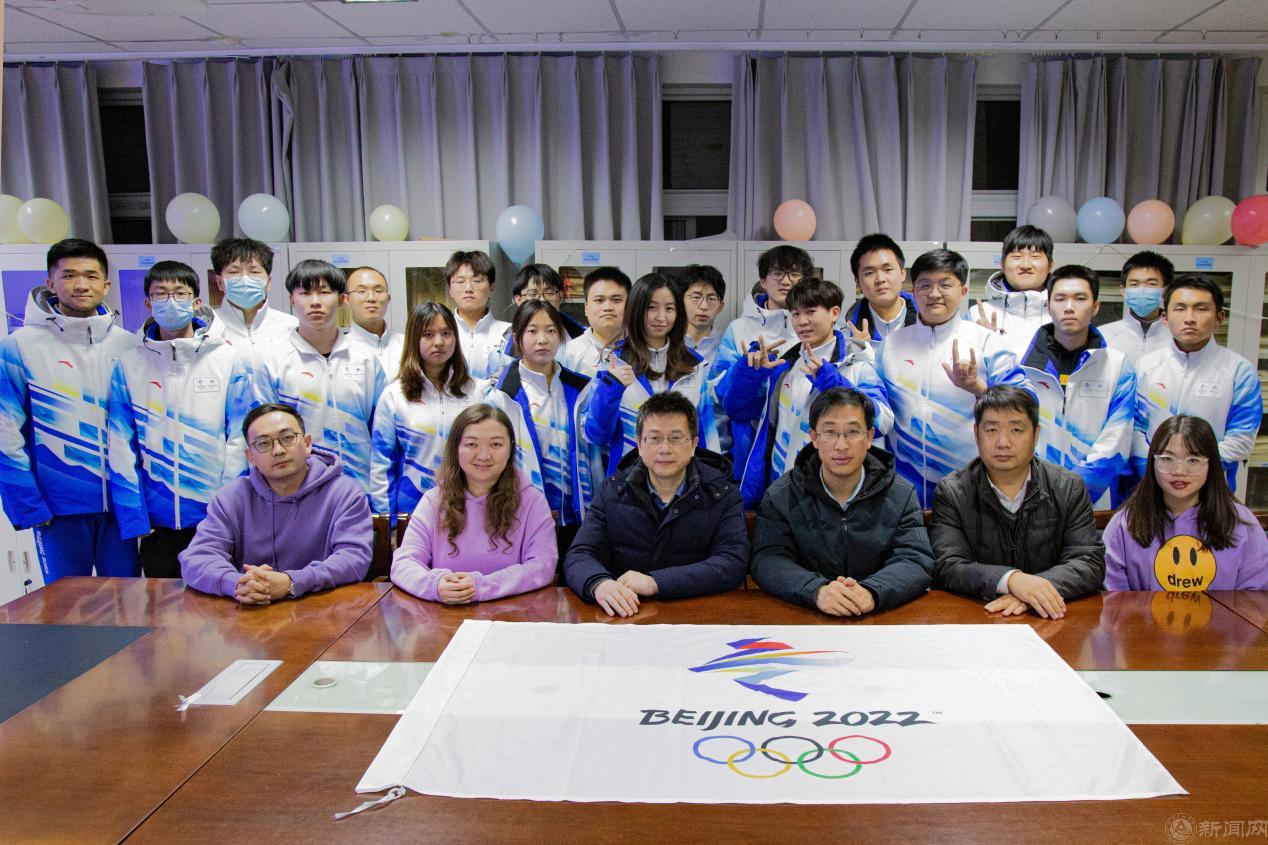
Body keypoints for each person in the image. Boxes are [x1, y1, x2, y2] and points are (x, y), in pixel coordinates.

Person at [0, 238, 140, 582]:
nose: (81, 285)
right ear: (50, 282)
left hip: (121, 507)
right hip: (58, 509)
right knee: (65, 605)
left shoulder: (129, 345)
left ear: (106, 285)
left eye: (91, 276)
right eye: (69, 275)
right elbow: (5, 430)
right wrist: (28, 504)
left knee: (129, 602)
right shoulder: (19, 346)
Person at [108, 260, 248, 577]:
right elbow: (121, 443)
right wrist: (133, 514)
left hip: (213, 518)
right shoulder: (130, 363)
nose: (171, 302)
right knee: (162, 602)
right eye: (161, 294)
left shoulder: (226, 358)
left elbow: (239, 438)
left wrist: (228, 511)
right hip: (156, 521)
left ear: (196, 302)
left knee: (220, 598)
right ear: (148, 303)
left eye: (180, 293)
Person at [751, 388, 933, 616]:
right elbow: (768, 560)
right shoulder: (782, 495)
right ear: (814, 437)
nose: (841, 445)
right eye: (830, 432)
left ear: (869, 437)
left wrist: (871, 592)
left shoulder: (900, 494)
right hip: (807, 615)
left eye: (852, 432)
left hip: (879, 616)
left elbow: (915, 559)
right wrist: (817, 590)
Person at [563, 392, 747, 617]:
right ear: (639, 444)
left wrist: (656, 582)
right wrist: (599, 583)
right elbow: (580, 554)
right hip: (627, 615)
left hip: (698, 614)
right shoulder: (613, 490)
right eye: (655, 438)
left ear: (693, 445)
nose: (664, 448)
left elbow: (732, 563)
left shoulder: (722, 493)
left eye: (676, 438)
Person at [931, 387, 1106, 619]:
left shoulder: (1067, 487)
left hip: (1051, 618)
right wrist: (1011, 580)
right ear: (976, 433)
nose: (1003, 442)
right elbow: (947, 565)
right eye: (991, 430)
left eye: (1016, 430)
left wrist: (1033, 591)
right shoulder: (953, 491)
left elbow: (1088, 561)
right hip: (980, 618)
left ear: (1036, 434)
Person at [876, 248, 1032, 507]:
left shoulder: (987, 342)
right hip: (904, 490)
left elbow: (1027, 403)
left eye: (945, 284)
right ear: (913, 292)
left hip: (971, 488)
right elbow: (876, 410)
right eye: (925, 285)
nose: (934, 293)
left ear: (963, 291)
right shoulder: (891, 346)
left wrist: (978, 387)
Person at [720, 277, 893, 507]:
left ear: (834, 313)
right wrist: (750, 374)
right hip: (780, 490)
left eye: (811, 312)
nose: (802, 321)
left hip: (833, 495)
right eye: (795, 314)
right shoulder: (784, 366)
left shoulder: (856, 366)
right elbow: (738, 410)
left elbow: (883, 422)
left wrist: (832, 383)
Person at [180, 403, 371, 602]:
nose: (278, 450)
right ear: (250, 456)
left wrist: (291, 582)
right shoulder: (231, 498)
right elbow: (197, 558)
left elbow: (353, 558)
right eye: (263, 443)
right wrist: (238, 584)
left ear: (307, 443)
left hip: (322, 609)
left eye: (287, 438)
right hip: (249, 612)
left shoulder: (345, 493)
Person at [391, 404, 558, 603]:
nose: (484, 455)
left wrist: (481, 587)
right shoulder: (433, 501)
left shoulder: (533, 502)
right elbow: (403, 563)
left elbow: (542, 566)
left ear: (511, 449)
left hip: (512, 612)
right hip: (445, 613)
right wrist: (435, 584)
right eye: (471, 444)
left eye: (496, 444)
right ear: (455, 448)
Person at [245, 260, 386, 494]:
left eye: (324, 292)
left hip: (361, 486)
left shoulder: (365, 359)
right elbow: (262, 435)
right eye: (305, 293)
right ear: (292, 299)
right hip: (299, 489)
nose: (315, 302)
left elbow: (382, 432)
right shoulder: (272, 361)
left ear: (342, 299)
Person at [1104, 415, 1267, 591]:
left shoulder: (1242, 523)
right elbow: (1115, 600)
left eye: (1193, 460)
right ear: (1152, 462)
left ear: (1211, 465)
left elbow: (1254, 598)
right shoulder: (1124, 524)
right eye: (1167, 459)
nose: (1179, 471)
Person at [1131, 274, 1261, 494]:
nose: (1189, 318)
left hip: (1212, 489)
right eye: (1180, 308)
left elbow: (1241, 439)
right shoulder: (1145, 366)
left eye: (1201, 309)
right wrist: (1159, 471)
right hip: (1151, 484)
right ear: (1165, 318)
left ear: (1219, 317)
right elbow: (1134, 429)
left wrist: (1192, 472)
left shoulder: (1239, 371)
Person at [1018, 265, 1135, 507]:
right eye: (1060, 299)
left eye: (1080, 298)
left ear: (1096, 306)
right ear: (1048, 305)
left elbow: (1116, 438)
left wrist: (1076, 494)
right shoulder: (1022, 365)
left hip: (1093, 500)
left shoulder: (1117, 366)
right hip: (1030, 496)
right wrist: (1039, 490)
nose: (1069, 307)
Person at [370, 302, 499, 519]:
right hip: (413, 511)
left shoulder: (476, 391)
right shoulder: (394, 396)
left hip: (469, 510)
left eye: (446, 333)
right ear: (414, 339)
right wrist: (388, 523)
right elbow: (382, 465)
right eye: (428, 335)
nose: (438, 342)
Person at [584, 272, 720, 475]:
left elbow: (706, 436)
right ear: (636, 309)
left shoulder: (693, 365)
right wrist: (611, 387)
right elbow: (595, 434)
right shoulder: (613, 362)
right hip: (628, 481)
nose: (661, 317)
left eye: (670, 308)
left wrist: (711, 481)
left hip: (682, 482)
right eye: (651, 307)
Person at [493, 300, 596, 528]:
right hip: (523, 517)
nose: (543, 339)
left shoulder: (581, 389)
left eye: (551, 331)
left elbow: (594, 447)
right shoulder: (502, 394)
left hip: (576, 516)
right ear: (517, 338)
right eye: (532, 331)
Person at [711, 245, 814, 469]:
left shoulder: (815, 328)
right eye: (777, 273)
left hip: (804, 441)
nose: (786, 281)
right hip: (749, 445)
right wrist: (746, 371)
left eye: (794, 274)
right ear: (763, 281)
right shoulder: (739, 328)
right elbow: (717, 391)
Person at [972, 225, 1053, 356]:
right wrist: (984, 346)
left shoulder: (1064, 315)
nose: (1026, 265)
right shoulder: (977, 314)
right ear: (1002, 265)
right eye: (1016, 257)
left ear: (1050, 265)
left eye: (1035, 256)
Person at [206, 238, 298, 347]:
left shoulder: (290, 326)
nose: (245, 279)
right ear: (219, 282)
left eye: (254, 271)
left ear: (268, 282)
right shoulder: (207, 327)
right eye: (234, 272)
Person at [1099, 250, 1175, 366]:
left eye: (1151, 284)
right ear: (1123, 291)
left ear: (1165, 291)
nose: (1142, 290)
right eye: (1134, 284)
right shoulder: (1102, 336)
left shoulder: (1178, 337)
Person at [558, 266, 630, 378]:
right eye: (599, 300)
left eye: (616, 300)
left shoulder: (642, 350)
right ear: (586, 308)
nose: (607, 307)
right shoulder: (568, 353)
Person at [447, 250, 510, 378]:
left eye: (477, 280)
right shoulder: (439, 334)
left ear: (492, 287)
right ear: (450, 290)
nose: (468, 288)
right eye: (460, 281)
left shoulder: (509, 333)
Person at [846, 233, 917, 346]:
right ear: (858, 282)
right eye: (869, 273)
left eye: (888, 269)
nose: (880, 279)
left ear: (903, 273)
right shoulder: (844, 331)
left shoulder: (929, 320)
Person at [343, 266, 405, 382]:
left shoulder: (408, 345)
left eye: (378, 291)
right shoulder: (339, 350)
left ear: (388, 298)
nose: (371, 298)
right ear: (346, 300)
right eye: (361, 291)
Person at [511, 263, 585, 339]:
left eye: (549, 293)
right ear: (518, 300)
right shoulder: (504, 339)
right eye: (532, 294)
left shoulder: (581, 337)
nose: (542, 299)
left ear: (560, 297)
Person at [674, 264, 727, 366]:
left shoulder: (728, 346)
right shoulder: (667, 344)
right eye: (696, 297)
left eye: (711, 299)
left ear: (720, 306)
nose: (704, 306)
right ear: (680, 301)